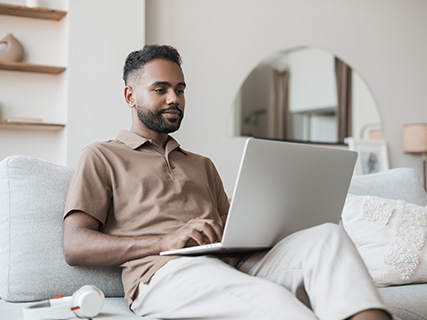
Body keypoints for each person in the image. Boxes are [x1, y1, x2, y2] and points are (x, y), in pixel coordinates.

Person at [63, 44, 392, 320]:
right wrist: (164, 241)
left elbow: (229, 227)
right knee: (274, 302)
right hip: (163, 274)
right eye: (160, 89)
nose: (174, 98)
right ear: (130, 96)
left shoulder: (201, 164)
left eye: (180, 89)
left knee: (328, 237)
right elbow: (75, 245)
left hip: (232, 265)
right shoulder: (101, 156)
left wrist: (266, 220)